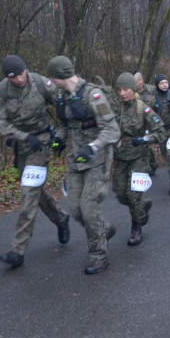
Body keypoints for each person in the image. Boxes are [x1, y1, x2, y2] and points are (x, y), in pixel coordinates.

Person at [0, 56, 71, 268]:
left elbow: (64, 105)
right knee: (36, 192)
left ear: (25, 69)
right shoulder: (2, 91)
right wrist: (23, 137)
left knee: (28, 193)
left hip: (41, 144)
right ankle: (61, 218)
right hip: (21, 145)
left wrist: (61, 134)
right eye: (12, 77)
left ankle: (18, 250)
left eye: (20, 74)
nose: (18, 79)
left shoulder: (41, 82)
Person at [47, 56, 120, 274]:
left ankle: (98, 255)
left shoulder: (93, 95)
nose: (50, 81)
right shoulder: (62, 96)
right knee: (76, 209)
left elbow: (112, 129)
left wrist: (93, 146)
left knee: (88, 208)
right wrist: (59, 138)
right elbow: (65, 123)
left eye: (52, 76)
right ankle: (103, 229)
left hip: (96, 160)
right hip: (75, 160)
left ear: (61, 76)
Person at [111, 73, 167, 246]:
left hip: (139, 157)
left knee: (133, 194)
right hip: (120, 157)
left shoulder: (143, 108)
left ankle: (137, 227)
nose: (122, 93)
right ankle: (142, 208)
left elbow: (161, 132)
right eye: (119, 89)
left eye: (125, 89)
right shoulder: (114, 107)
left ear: (133, 89)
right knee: (121, 195)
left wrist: (145, 139)